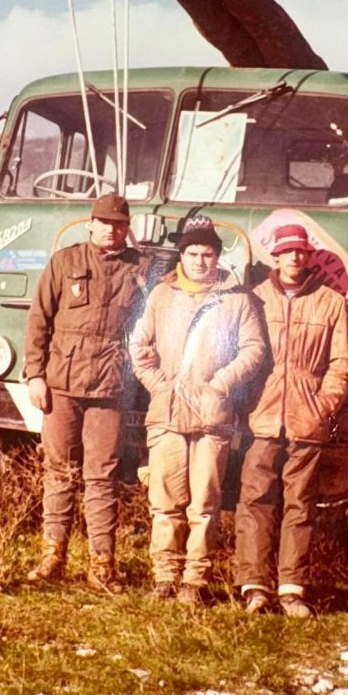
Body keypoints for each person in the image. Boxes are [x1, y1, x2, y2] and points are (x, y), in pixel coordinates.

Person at [130, 215, 267, 605]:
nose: (200, 261)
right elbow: (139, 348)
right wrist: (159, 386)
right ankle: (164, 575)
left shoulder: (237, 299)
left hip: (212, 417)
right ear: (182, 256)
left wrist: (221, 383)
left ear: (217, 257)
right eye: (192, 253)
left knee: (205, 503)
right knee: (164, 500)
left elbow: (253, 350)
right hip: (167, 415)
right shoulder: (161, 296)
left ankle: (194, 580)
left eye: (207, 254)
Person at [24, 192, 150, 592]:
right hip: (61, 384)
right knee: (59, 471)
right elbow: (38, 320)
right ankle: (53, 556)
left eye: (119, 224)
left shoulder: (141, 268)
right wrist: (34, 376)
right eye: (105, 222)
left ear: (127, 229)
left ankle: (101, 565)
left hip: (110, 389)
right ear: (90, 224)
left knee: (103, 476)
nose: (112, 230)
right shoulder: (66, 262)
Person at [235, 223, 348, 618]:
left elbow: (341, 363)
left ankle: (291, 590)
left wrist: (324, 405)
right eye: (287, 251)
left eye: (301, 251)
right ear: (276, 256)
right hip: (262, 418)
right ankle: (255, 588)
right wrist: (246, 403)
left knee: (300, 505)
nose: (294, 258)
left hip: (307, 421)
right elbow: (240, 355)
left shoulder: (330, 302)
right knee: (255, 502)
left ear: (308, 256)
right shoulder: (255, 299)